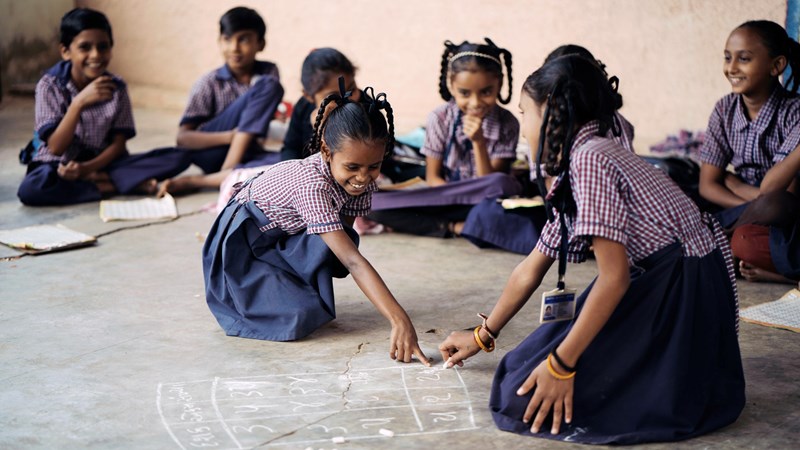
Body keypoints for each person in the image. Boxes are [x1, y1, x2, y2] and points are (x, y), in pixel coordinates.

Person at [438, 55, 744, 444]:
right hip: (668, 278)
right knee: (520, 369)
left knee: (521, 397)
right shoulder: (584, 153)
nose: (523, 127)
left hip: (678, 292)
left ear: (550, 113)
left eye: (525, 113)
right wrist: (482, 334)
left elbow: (614, 280)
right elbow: (533, 266)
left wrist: (561, 366)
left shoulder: (590, 160)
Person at [203, 78, 430, 365]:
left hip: (282, 235)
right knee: (297, 317)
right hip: (242, 241)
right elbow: (352, 262)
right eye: (352, 166)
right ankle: (249, 289)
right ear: (326, 151)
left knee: (339, 242)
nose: (363, 177)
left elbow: (343, 249)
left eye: (374, 166)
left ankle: (284, 283)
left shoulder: (361, 182)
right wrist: (399, 320)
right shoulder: (312, 186)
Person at [17, 8, 184, 206]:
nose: (96, 55)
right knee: (32, 188)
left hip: (104, 162)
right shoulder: (50, 85)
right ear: (65, 51)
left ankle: (100, 179)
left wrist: (86, 169)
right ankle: (111, 186)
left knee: (179, 156)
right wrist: (78, 103)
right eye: (85, 47)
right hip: (60, 165)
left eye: (103, 47)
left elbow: (118, 145)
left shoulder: (117, 86)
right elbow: (56, 147)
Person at [368, 38, 523, 244]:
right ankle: (453, 226)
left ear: (500, 84)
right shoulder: (439, 118)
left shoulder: (508, 123)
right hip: (445, 196)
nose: (475, 102)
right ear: (452, 86)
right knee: (370, 204)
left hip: (485, 200)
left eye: (486, 92)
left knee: (501, 183)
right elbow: (433, 178)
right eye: (464, 93)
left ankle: (451, 223)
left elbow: (491, 185)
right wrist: (447, 197)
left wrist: (478, 142)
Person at [698, 20, 800, 283]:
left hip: (782, 215)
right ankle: (720, 241)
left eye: (744, 59)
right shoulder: (724, 109)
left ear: (776, 66)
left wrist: (737, 185)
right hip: (738, 209)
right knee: (677, 190)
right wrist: (751, 206)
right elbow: (708, 185)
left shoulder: (793, 112)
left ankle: (714, 241)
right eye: (727, 57)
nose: (732, 68)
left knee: (770, 211)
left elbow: (779, 195)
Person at [214, 47, 362, 212]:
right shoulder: (303, 108)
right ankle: (198, 181)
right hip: (307, 174)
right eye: (333, 95)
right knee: (246, 178)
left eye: (351, 89)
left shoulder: (365, 107)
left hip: (351, 175)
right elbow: (290, 147)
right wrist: (293, 172)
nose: (347, 99)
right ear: (308, 96)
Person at [158, 6, 284, 195]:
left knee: (293, 161)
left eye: (244, 39)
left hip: (248, 152)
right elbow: (183, 138)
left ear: (260, 44)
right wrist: (230, 136)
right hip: (212, 153)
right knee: (269, 85)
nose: (234, 48)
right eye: (227, 39)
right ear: (219, 41)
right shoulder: (209, 82)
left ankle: (206, 180)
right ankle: (228, 173)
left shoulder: (268, 71)